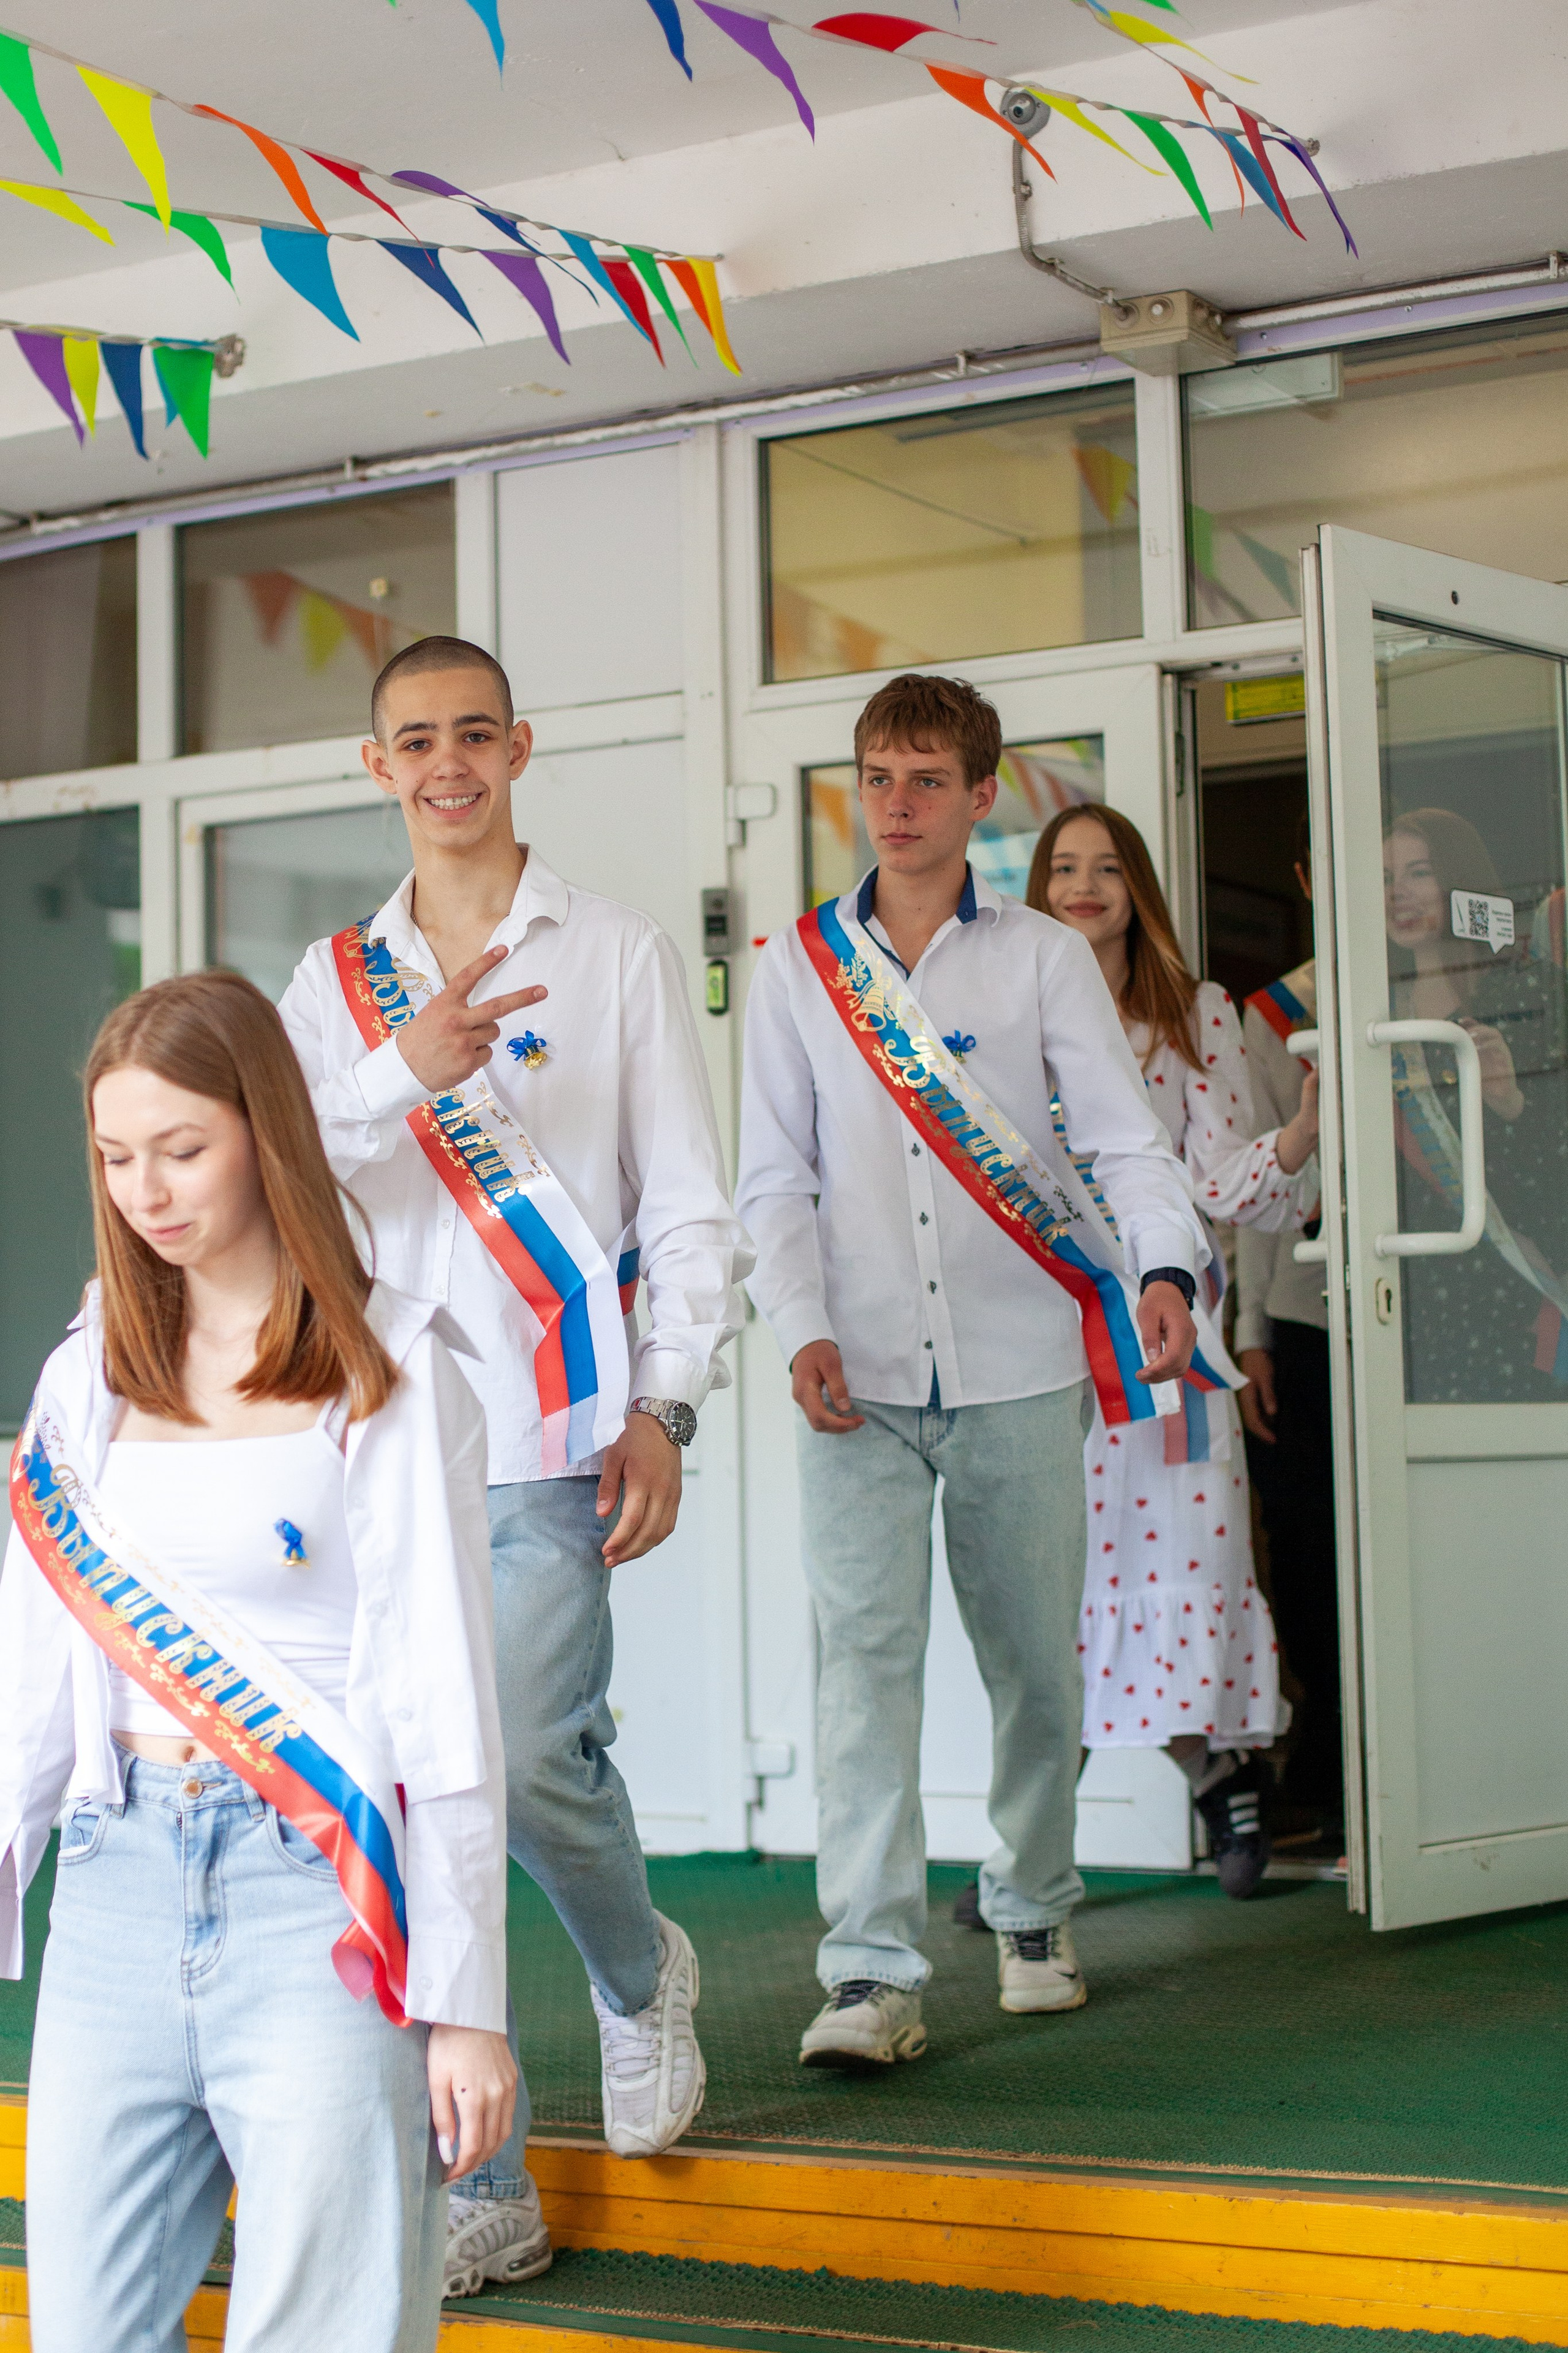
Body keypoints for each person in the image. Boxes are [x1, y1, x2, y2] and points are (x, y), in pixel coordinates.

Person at [279, 636, 750, 2286]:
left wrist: (668, 1399)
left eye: (475, 733)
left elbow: (688, 1196)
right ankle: (483, 2180)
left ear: (522, 746)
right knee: (413, 1801)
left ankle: (641, 1978)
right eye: (417, 740)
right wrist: (400, 1074)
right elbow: (281, 1183)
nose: (448, 764)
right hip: (378, 1444)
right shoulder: (329, 990)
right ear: (378, 765)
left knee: (537, 1760)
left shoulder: (611, 949)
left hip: (554, 1428)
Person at [0, 970, 512, 2353]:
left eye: (181, 1147)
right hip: (111, 1889)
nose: (145, 1191)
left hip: (320, 1905)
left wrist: (465, 2006)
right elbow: (33, 1680)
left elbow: (442, 1698)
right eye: (115, 1157)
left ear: (265, 1128)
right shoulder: (84, 1375)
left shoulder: (388, 1365)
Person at [737, 673, 1204, 2067]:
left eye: (925, 777)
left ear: (981, 794)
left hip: (1015, 1363)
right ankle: (869, 1968)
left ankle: (1030, 1902)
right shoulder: (793, 968)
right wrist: (796, 1322)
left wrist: (1163, 1268)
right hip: (855, 1376)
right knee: (860, 1668)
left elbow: (1123, 1142)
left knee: (1030, 1667)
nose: (895, 803)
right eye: (876, 775)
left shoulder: (1042, 959)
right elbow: (772, 1174)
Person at [1030, 806, 1319, 1896]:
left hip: (1163, 1344)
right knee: (1055, 1583)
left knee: (1185, 1570)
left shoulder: (1195, 1014)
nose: (1084, 885)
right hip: (1046, 1342)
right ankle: (1034, 1841)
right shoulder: (1008, 1007)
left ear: (1138, 886)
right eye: (1064, 867)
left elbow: (1223, 1180)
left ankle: (1228, 1777)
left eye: (1107, 868)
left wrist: (1298, 1138)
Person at [1372, 807, 1568, 1403]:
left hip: (1521, 1288)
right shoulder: (1372, 1015)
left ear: (1459, 881)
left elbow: (1554, 1154)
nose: (1397, 892)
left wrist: (1511, 1103)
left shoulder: (1530, 992)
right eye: (1383, 876)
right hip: (1407, 1298)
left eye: (1419, 872)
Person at [1234, 815, 1343, 1837]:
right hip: (1308, 1308)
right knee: (1307, 1539)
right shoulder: (1279, 1012)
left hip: (1439, 1301)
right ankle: (1330, 1752)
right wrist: (1254, 1328)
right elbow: (1270, 1175)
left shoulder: (1477, 986)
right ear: (1307, 876)